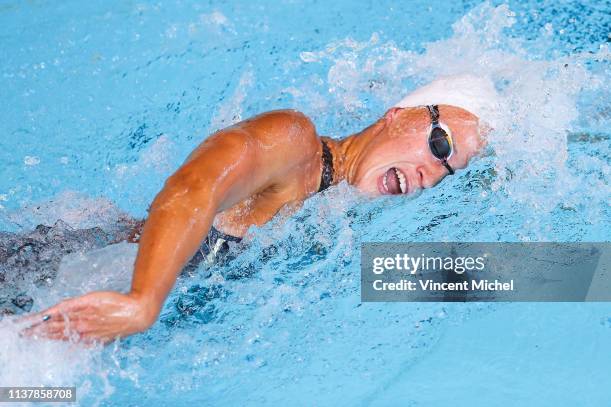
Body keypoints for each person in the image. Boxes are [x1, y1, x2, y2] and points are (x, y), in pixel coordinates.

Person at [20, 75, 493, 343]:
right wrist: (141, 302)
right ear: (399, 113)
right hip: (41, 279)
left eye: (448, 174)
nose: (432, 172)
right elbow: (191, 189)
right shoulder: (293, 143)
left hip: (82, 319)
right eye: (439, 143)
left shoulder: (334, 215)